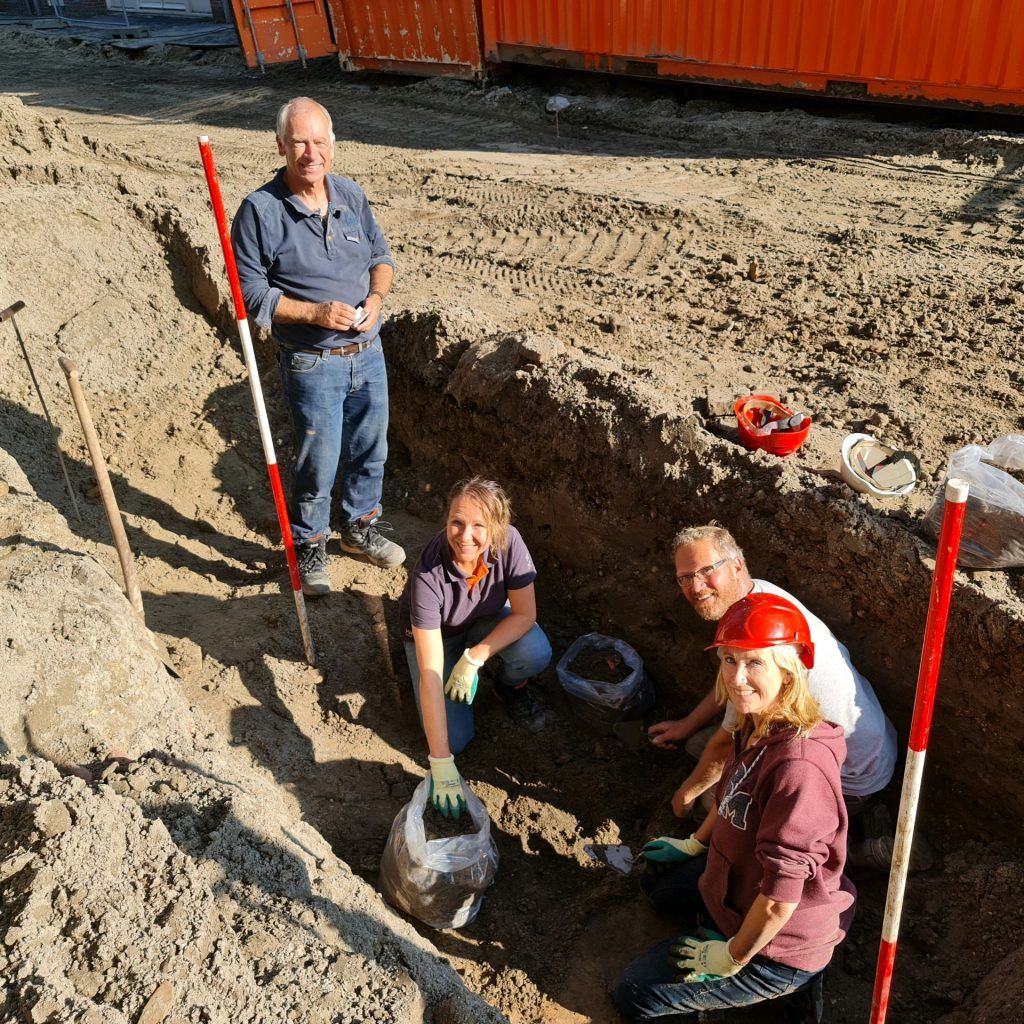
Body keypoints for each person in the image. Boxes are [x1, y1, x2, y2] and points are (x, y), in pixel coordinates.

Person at [614, 593, 856, 1021]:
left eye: (754, 662)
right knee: (658, 888)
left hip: (782, 942)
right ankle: (725, 928)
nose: (737, 677)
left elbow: (781, 900)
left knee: (634, 994)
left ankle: (784, 989)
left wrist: (731, 955)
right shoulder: (755, 721)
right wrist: (694, 843)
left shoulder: (799, 768)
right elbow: (732, 793)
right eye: (729, 660)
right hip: (736, 883)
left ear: (789, 669)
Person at [231, 96, 403, 597]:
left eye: (320, 141)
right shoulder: (261, 211)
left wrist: (375, 297)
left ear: (333, 144)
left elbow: (381, 256)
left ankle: (358, 528)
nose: (311, 152)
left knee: (372, 451)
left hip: (368, 355)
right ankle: (309, 542)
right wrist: (314, 312)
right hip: (311, 362)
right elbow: (250, 293)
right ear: (281, 145)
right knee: (318, 459)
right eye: (300, 142)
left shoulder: (350, 193)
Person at [648, 524, 897, 863]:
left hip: (850, 773)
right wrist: (686, 724)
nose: (696, 586)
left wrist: (685, 795)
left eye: (707, 571)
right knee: (695, 747)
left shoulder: (761, 635)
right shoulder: (758, 599)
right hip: (872, 742)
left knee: (715, 806)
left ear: (737, 565)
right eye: (685, 578)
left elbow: (726, 745)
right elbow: (731, 683)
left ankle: (854, 851)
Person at [399, 477, 552, 818]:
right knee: (453, 741)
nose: (464, 536)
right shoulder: (428, 574)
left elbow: (526, 614)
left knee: (534, 651)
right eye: (456, 522)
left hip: (484, 618)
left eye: (478, 525)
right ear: (446, 520)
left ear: (498, 525)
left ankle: (511, 686)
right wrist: (440, 763)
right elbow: (431, 672)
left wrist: (476, 656)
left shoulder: (510, 542)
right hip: (439, 635)